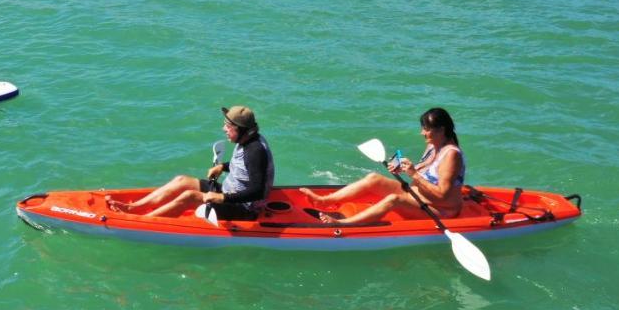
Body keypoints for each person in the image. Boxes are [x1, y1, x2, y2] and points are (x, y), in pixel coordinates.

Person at [300, 107, 466, 224]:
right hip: (417, 195)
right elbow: (428, 171)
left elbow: (443, 195)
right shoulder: (434, 144)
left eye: (426, 129)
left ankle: (344, 224)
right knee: (374, 179)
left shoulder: (451, 155)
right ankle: (323, 201)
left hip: (440, 210)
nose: (422, 133)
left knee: (393, 200)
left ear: (441, 130)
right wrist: (402, 167)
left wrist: (414, 174)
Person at [106, 105, 274, 219]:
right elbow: (244, 168)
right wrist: (222, 167)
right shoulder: (247, 141)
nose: (224, 129)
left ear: (242, 129)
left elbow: (257, 191)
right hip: (228, 192)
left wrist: (221, 197)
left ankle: (143, 222)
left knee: (189, 196)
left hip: (243, 209)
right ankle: (133, 208)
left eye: (228, 126)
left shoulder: (255, 151)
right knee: (181, 180)